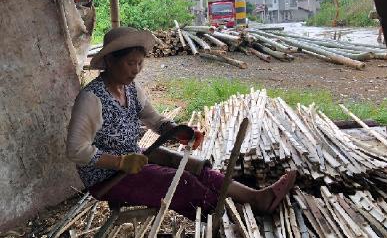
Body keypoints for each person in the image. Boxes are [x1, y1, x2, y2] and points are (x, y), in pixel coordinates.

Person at [66, 27, 297, 220]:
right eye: (130, 63)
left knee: (198, 168)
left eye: (139, 63)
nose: (136, 70)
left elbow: (155, 120)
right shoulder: (92, 98)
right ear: (109, 60)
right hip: (106, 178)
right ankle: (230, 218)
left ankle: (257, 198)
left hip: (133, 159)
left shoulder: (130, 89)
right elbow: (76, 150)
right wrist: (120, 162)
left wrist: (178, 131)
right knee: (183, 183)